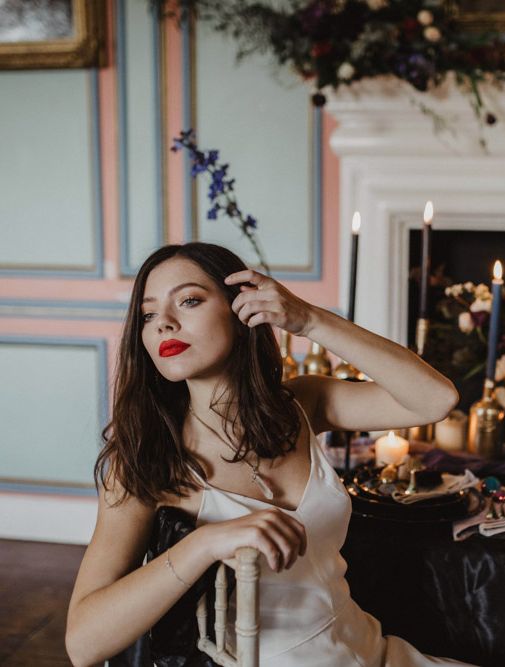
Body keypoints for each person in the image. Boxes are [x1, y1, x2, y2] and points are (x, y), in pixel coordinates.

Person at [66, 242, 476, 667]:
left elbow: (435, 400)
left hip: (370, 651)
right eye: (148, 315)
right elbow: (83, 643)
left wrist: (310, 320)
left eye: (188, 301)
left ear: (244, 311)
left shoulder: (302, 406)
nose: (164, 324)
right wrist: (202, 543)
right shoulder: (147, 461)